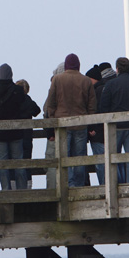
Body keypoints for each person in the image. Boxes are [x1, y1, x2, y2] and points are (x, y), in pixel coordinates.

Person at [0, 64, 39, 190]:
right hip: (16, 133)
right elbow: (26, 102)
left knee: (2, 163)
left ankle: (6, 190)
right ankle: (22, 190)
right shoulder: (16, 90)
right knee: (19, 162)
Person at [44, 53, 97, 187]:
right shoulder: (85, 80)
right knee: (79, 158)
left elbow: (50, 103)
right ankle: (79, 185)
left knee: (64, 157)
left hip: (62, 125)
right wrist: (90, 126)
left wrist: (51, 125)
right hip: (81, 124)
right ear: (78, 65)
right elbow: (92, 106)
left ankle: (69, 184)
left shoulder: (57, 79)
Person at [98, 57, 129, 183]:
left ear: (117, 69)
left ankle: (114, 184)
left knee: (113, 157)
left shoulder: (110, 85)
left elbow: (103, 106)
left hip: (115, 127)